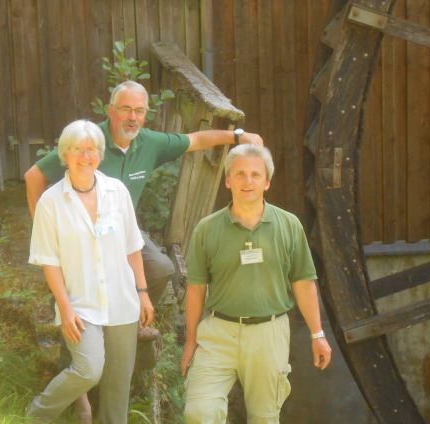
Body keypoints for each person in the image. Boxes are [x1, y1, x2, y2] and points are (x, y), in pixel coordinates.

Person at [25, 80, 263, 419]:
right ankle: (72, 393)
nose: (132, 117)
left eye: (139, 111)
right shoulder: (87, 139)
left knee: (163, 268)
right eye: (125, 109)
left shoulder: (146, 146)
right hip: (76, 243)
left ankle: (134, 320)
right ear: (110, 110)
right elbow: (33, 175)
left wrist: (239, 137)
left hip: (122, 234)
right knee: (81, 329)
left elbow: (196, 140)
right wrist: (44, 230)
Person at [180, 144, 332, 424]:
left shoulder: (289, 225)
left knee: (264, 418)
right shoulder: (207, 228)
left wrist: (317, 334)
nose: (247, 181)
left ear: (267, 182)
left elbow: (303, 282)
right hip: (218, 334)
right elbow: (196, 288)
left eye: (255, 174)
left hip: (268, 334)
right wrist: (191, 340)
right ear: (228, 181)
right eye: (239, 174)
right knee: (199, 414)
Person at [26, 120, 153, 423]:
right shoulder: (51, 202)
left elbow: (132, 246)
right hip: (80, 305)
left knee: (117, 387)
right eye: (78, 150)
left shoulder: (117, 191)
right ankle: (36, 415)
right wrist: (65, 308)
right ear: (64, 154)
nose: (86, 157)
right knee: (88, 369)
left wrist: (143, 293)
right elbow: (50, 261)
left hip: (123, 301)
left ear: (101, 153)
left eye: (92, 150)